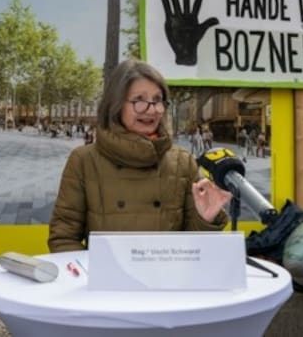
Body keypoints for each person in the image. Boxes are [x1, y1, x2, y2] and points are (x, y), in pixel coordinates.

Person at [48, 60, 231, 252]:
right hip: (105, 281)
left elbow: (193, 249)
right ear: (116, 104)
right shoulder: (84, 161)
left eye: (157, 100)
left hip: (166, 279)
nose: (151, 110)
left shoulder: (183, 162)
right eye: (139, 100)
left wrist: (206, 219)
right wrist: (93, 276)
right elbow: (63, 238)